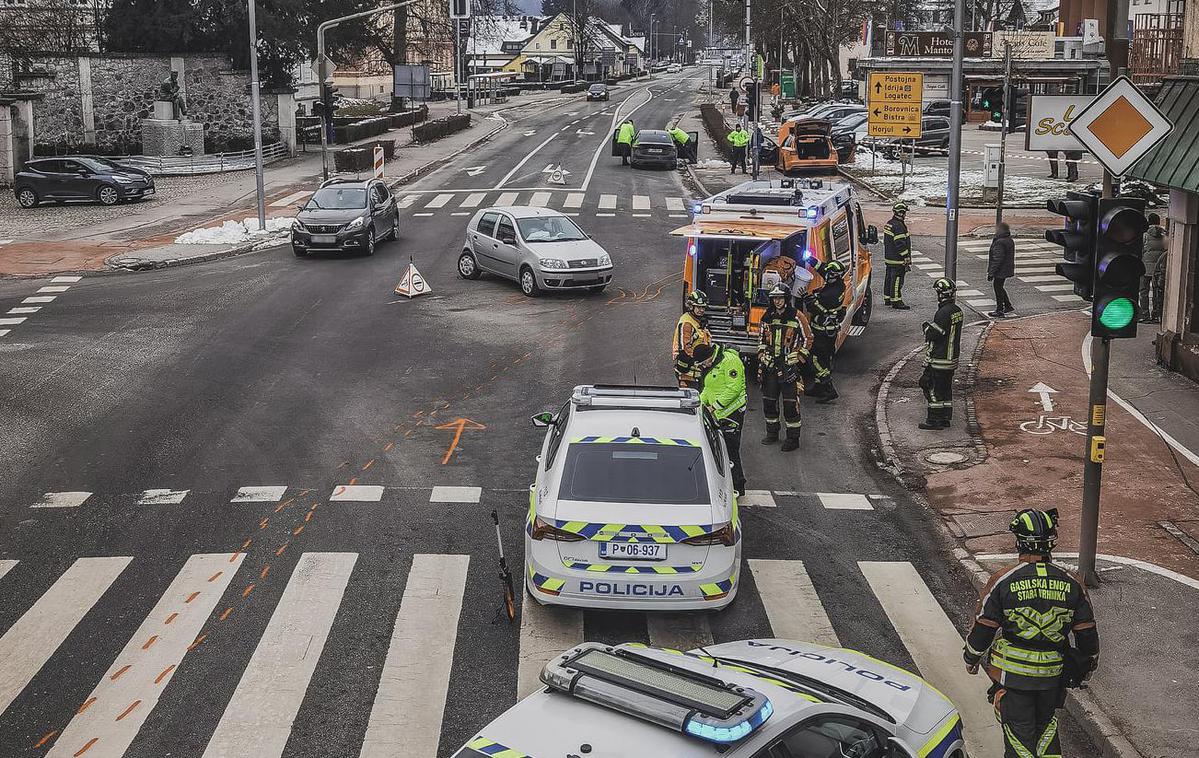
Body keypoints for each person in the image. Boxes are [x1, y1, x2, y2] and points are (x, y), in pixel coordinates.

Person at [964, 508, 1099, 758]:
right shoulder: (1071, 582)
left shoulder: (1003, 581)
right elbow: (1086, 632)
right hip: (1051, 677)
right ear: (1050, 542)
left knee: (1018, 736)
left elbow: (984, 628)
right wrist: (1088, 665)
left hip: (1013, 678)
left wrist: (971, 659)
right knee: (1046, 726)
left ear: (1019, 541)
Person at [758, 284, 812, 451]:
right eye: (775, 298)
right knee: (769, 402)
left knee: (790, 404)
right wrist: (762, 356)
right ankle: (772, 433)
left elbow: (808, 339)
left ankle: (792, 439)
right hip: (771, 367)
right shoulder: (767, 317)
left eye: (780, 298)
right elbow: (761, 340)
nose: (777, 301)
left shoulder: (797, 317)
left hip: (789, 368)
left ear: (786, 299)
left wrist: (799, 357)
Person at [693, 342, 747, 495]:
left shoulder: (730, 361)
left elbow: (734, 389)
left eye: (703, 363)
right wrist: (699, 404)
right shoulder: (713, 364)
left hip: (732, 413)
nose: (703, 366)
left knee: (730, 450)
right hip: (719, 413)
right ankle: (725, 484)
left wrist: (714, 406)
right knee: (718, 449)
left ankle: (738, 486)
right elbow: (709, 389)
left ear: (709, 357)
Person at [918, 277, 963, 430]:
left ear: (940, 294)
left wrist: (925, 327)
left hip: (940, 359)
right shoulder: (957, 311)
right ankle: (945, 417)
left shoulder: (943, 313)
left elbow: (935, 335)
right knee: (946, 389)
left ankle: (934, 420)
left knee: (931, 388)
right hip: (952, 359)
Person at [805, 259, 847, 403]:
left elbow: (815, 307)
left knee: (816, 359)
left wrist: (807, 298)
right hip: (829, 331)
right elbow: (821, 267)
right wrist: (808, 257)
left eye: (830, 273)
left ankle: (828, 389)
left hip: (823, 331)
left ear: (835, 275)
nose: (827, 274)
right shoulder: (837, 283)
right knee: (824, 359)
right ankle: (818, 387)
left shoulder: (830, 294)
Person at [673, 290, 712, 388]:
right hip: (688, 373)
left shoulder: (696, 321)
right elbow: (686, 348)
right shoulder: (687, 323)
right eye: (698, 307)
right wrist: (703, 361)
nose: (701, 310)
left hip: (696, 371)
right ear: (691, 306)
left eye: (703, 307)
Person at [882, 202, 912, 309]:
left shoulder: (890, 223)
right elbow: (900, 243)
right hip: (897, 260)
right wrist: (906, 256)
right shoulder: (899, 226)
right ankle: (896, 301)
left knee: (889, 278)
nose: (905, 215)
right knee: (897, 280)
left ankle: (888, 298)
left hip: (889, 258)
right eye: (904, 213)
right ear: (901, 213)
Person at [987, 221, 1016, 318]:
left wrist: (991, 272)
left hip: (1001, 270)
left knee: (998, 288)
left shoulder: (1000, 242)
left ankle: (1000, 310)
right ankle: (1007, 305)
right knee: (1000, 287)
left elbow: (997, 258)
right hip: (1006, 268)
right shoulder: (1008, 239)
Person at [1141, 213, 1166, 323]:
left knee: (1143, 292)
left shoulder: (1145, 235)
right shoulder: (1164, 235)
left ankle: (1145, 315)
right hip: (1158, 269)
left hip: (1145, 267)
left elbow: (1140, 250)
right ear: (1159, 222)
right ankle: (1156, 315)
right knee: (1157, 292)